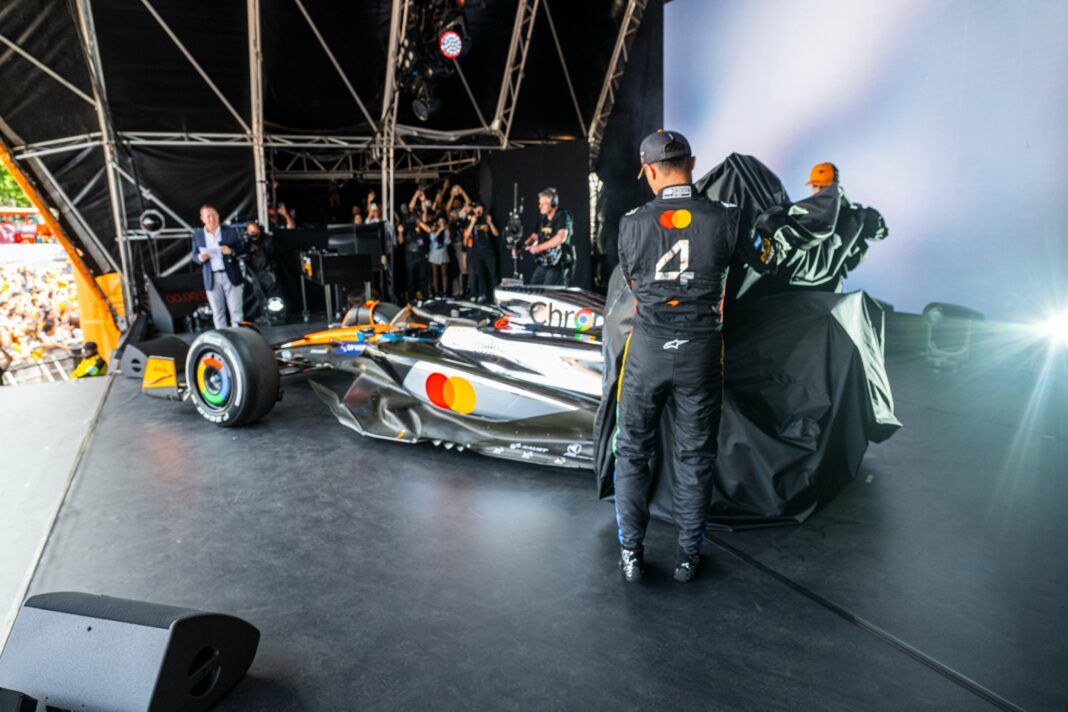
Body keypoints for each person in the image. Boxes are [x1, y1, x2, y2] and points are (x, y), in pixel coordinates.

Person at [613, 130, 740, 583]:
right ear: (693, 163)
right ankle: (688, 558)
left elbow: (632, 282)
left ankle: (631, 554)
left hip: (648, 349)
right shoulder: (727, 217)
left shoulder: (631, 223)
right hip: (701, 351)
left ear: (649, 172)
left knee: (632, 451)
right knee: (695, 456)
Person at [191, 204, 246, 328]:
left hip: (231, 274)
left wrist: (231, 251)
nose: (212, 218)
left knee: (236, 311)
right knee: (217, 312)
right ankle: (222, 337)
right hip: (211, 277)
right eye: (208, 216)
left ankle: (239, 336)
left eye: (214, 215)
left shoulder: (229, 231)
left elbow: (242, 250)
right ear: (202, 219)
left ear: (218, 216)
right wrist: (200, 258)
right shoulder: (198, 235)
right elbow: (194, 256)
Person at [523, 188, 574, 286]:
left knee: (549, 291)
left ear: (553, 203)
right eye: (539, 203)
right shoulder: (542, 218)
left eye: (544, 204)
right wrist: (522, 247)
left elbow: (560, 238)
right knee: (533, 288)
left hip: (558, 263)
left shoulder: (563, 216)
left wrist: (538, 248)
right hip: (544, 262)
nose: (540, 206)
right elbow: (534, 237)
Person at [464, 201, 499, 302]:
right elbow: (466, 236)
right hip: (477, 253)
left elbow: (496, 234)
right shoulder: (471, 221)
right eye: (476, 209)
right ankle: (483, 295)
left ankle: (496, 297)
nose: (478, 211)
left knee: (493, 275)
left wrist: (490, 223)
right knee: (481, 275)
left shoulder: (487, 219)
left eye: (480, 209)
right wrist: (472, 222)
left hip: (489, 252)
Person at [427, 215, 451, 297]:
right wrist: (439, 230)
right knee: (435, 273)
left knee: (444, 273)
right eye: (440, 222)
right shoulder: (434, 229)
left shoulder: (446, 231)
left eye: (443, 222)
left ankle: (445, 292)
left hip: (443, 252)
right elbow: (432, 238)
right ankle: (436, 292)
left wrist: (448, 232)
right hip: (434, 253)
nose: (441, 223)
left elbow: (448, 242)